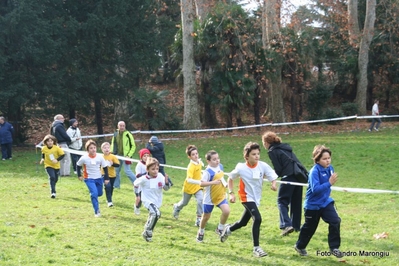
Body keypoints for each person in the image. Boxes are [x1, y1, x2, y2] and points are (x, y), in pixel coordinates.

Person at [220, 142, 278, 258]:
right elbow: (230, 178)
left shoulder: (262, 165)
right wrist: (231, 193)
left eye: (258, 154)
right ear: (247, 156)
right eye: (253, 154)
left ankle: (228, 230)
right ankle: (256, 248)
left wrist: (273, 184)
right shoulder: (241, 167)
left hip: (256, 198)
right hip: (245, 196)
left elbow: (272, 176)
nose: (257, 156)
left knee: (243, 223)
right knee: (257, 218)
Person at [294, 145, 343, 258]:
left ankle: (334, 248)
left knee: (335, 221)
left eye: (329, 158)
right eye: (324, 159)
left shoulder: (330, 168)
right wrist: (329, 183)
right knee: (310, 228)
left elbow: (327, 187)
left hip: (325, 203)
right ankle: (300, 246)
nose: (328, 161)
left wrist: (328, 189)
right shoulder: (314, 172)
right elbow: (315, 190)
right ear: (317, 160)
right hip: (312, 205)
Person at [262, 131, 304, 236]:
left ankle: (286, 224)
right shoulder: (285, 148)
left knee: (282, 201)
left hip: (288, 177)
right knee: (296, 202)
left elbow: (279, 169)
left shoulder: (272, 151)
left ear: (266, 142)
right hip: (298, 177)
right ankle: (296, 226)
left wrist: (269, 176)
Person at [196, 150, 230, 243]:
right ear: (208, 161)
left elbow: (220, 176)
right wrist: (213, 183)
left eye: (218, 158)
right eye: (214, 159)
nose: (217, 161)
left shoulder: (221, 166)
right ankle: (201, 232)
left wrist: (224, 183)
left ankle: (220, 228)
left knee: (226, 211)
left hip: (220, 195)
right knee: (206, 217)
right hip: (209, 198)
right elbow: (201, 184)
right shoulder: (207, 172)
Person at [133, 157, 170, 242]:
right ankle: (148, 231)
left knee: (154, 215)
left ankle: (147, 231)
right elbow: (135, 183)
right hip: (147, 200)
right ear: (147, 169)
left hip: (157, 200)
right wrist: (138, 194)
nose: (155, 171)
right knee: (156, 213)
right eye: (153, 169)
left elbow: (166, 188)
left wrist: (166, 182)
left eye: (157, 169)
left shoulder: (160, 176)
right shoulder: (144, 179)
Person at [173, 145, 204, 227]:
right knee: (184, 202)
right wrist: (199, 181)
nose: (196, 155)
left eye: (196, 153)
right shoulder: (190, 166)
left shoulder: (199, 162)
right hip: (189, 188)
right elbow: (189, 179)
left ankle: (199, 218)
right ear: (189, 157)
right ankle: (177, 207)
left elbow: (199, 172)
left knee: (200, 200)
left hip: (198, 187)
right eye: (193, 154)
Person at [77, 139, 109, 217]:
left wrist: (106, 178)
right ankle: (97, 211)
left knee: (99, 193)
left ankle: (93, 193)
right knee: (94, 194)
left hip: (99, 178)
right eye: (91, 148)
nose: (93, 149)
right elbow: (78, 165)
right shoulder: (84, 158)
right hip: (89, 179)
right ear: (87, 150)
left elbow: (105, 167)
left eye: (94, 147)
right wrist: (79, 175)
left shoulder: (100, 157)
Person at [110, 121, 136, 189]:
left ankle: (137, 182)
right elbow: (113, 144)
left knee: (127, 171)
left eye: (123, 126)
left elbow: (133, 146)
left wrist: (129, 155)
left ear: (125, 126)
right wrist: (111, 152)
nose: (122, 127)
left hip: (126, 156)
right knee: (116, 171)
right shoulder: (115, 134)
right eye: (120, 126)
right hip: (117, 155)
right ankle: (116, 186)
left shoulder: (128, 134)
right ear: (117, 126)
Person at [101, 142, 120, 207]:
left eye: (108, 148)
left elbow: (118, 165)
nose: (106, 149)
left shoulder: (113, 156)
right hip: (104, 174)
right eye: (105, 148)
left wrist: (112, 164)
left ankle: (109, 198)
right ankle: (109, 201)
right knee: (108, 186)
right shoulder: (101, 157)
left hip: (112, 175)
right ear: (102, 149)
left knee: (111, 187)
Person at [134, 148, 151, 215]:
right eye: (144, 156)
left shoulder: (150, 163)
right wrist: (145, 174)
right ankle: (137, 207)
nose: (146, 157)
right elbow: (137, 175)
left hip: (147, 185)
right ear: (141, 157)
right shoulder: (139, 165)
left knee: (148, 197)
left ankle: (151, 210)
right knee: (139, 198)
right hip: (138, 185)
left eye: (147, 155)